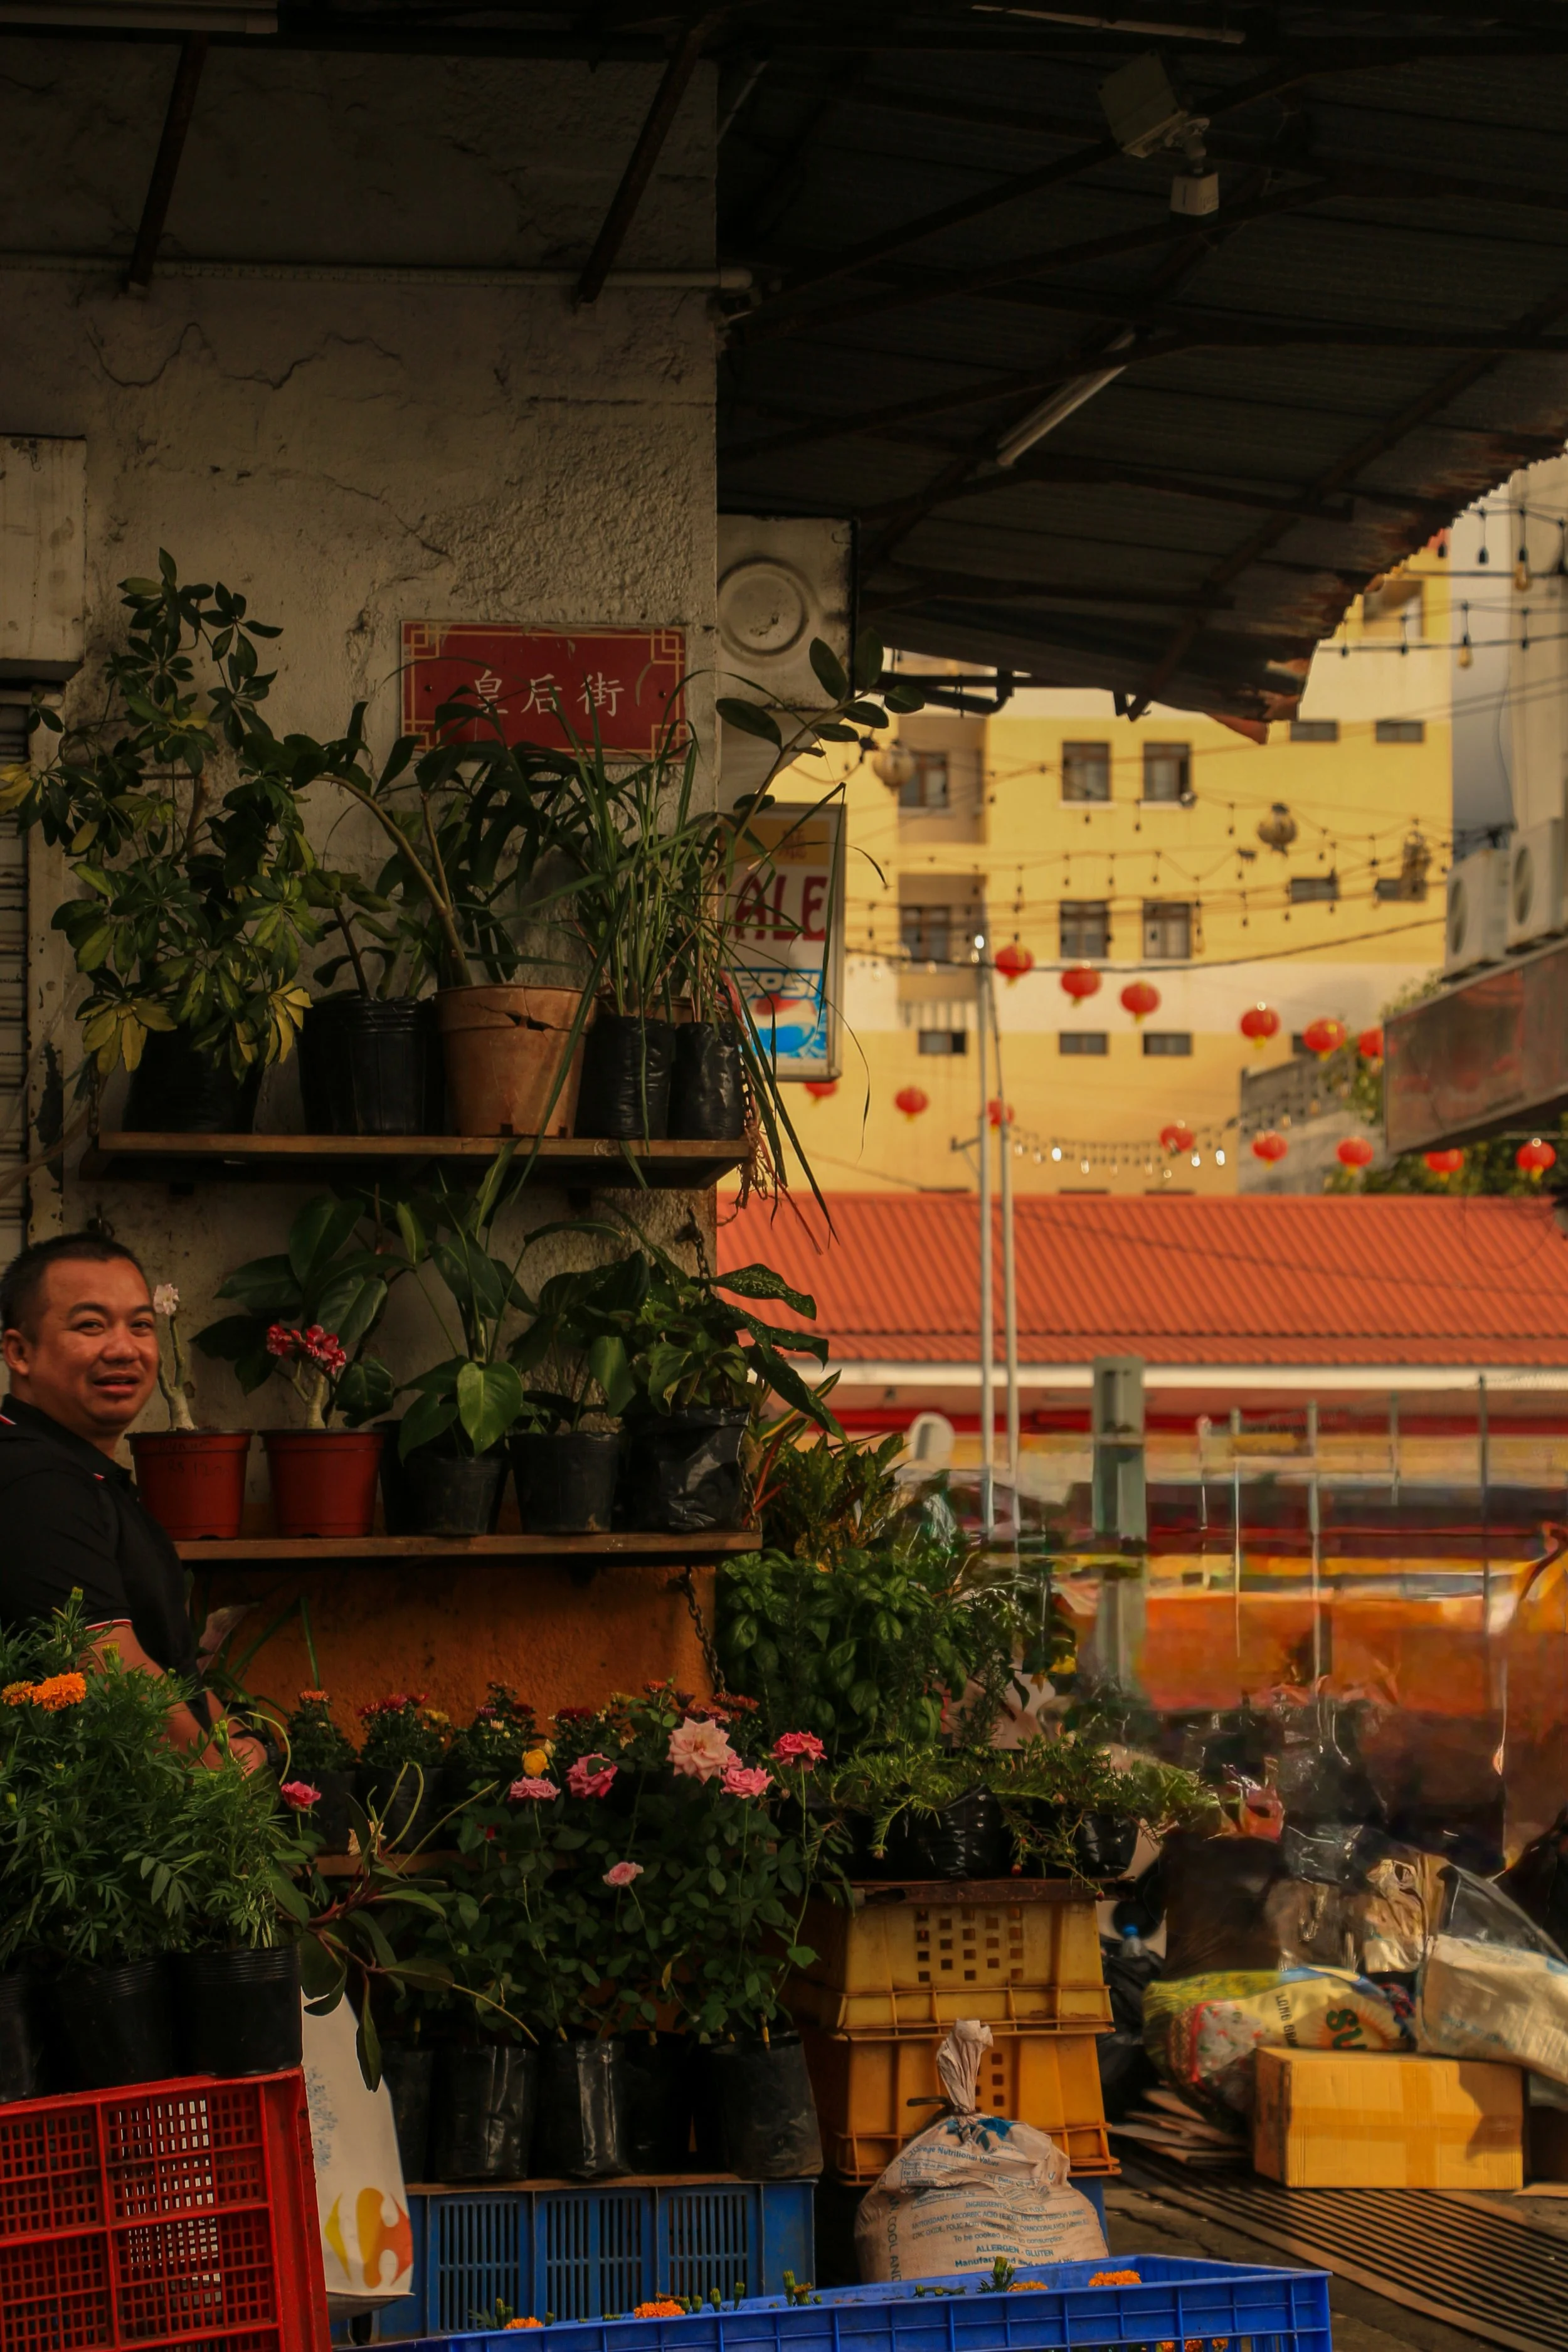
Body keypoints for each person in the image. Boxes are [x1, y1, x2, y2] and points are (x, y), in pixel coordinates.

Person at [0, 1229, 266, 1772]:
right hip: (78, 1839)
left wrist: (240, 1734)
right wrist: (220, 1779)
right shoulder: (32, 1480)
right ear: (19, 1352)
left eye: (140, 1325)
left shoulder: (81, 1472)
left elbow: (168, 1667)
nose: (124, 1348)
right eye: (90, 1325)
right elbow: (109, 1667)